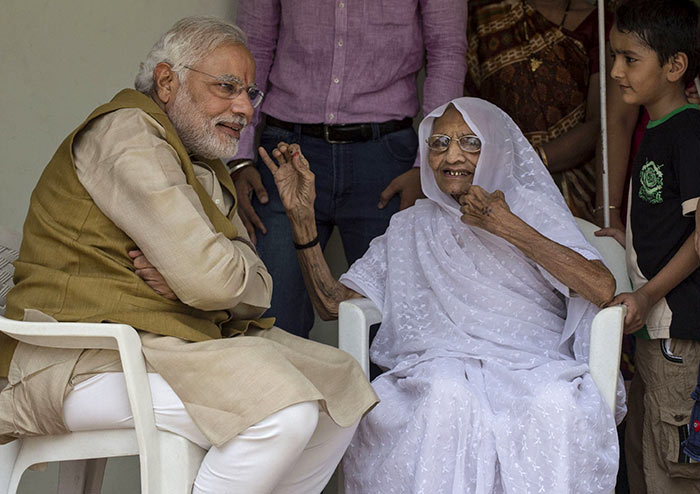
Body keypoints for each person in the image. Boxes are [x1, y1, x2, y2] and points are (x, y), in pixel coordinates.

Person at [0, 17, 377, 494]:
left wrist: (201, 283)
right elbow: (214, 282)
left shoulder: (200, 162)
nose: (244, 109)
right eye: (227, 87)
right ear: (167, 81)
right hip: (81, 363)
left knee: (343, 389)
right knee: (282, 412)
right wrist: (206, 284)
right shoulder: (127, 134)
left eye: (250, 94)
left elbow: (257, 289)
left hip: (165, 346)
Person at [261, 97, 623, 492]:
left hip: (533, 363)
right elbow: (333, 304)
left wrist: (508, 226)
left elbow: (601, 287)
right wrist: (301, 218)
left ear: (497, 150)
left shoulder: (531, 210)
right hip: (438, 365)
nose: (452, 155)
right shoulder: (411, 225)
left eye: (470, 142)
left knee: (557, 403)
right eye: (439, 143)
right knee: (444, 394)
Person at [230, 0, 468, 338]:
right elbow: (253, 46)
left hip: (384, 158)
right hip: (286, 153)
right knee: (272, 316)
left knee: (388, 324)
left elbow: (447, 52)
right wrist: (239, 159)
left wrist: (426, 166)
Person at [595, 0, 700, 491]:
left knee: (670, 476)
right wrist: (630, 238)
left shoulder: (690, 132)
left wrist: (645, 294)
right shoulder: (655, 129)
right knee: (642, 465)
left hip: (677, 340)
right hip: (654, 343)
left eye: (630, 59)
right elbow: (670, 219)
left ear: (675, 66)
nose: (615, 71)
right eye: (614, 57)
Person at [465, 0, 609, 222]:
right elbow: (468, 116)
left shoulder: (598, 23)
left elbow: (599, 123)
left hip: (580, 186)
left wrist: (530, 162)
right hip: (499, 183)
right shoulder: (485, 18)